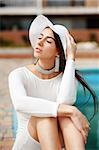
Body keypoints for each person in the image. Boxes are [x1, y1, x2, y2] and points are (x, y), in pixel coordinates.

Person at [8, 15, 97, 150]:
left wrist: (71, 58)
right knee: (47, 118)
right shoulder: (18, 75)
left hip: (54, 142)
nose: (40, 42)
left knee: (67, 119)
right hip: (28, 143)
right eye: (39, 37)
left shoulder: (66, 78)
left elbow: (65, 100)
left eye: (48, 41)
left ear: (58, 52)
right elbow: (20, 103)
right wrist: (73, 111)